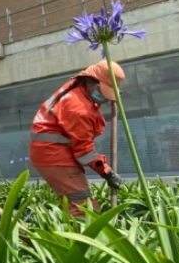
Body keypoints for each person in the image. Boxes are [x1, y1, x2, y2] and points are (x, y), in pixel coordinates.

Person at [29, 60, 123, 218]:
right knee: (83, 209)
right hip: (54, 156)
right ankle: (81, 241)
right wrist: (107, 173)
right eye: (103, 92)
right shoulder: (78, 108)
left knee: (77, 204)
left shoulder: (75, 86)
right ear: (91, 83)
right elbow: (84, 152)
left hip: (48, 152)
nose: (105, 99)